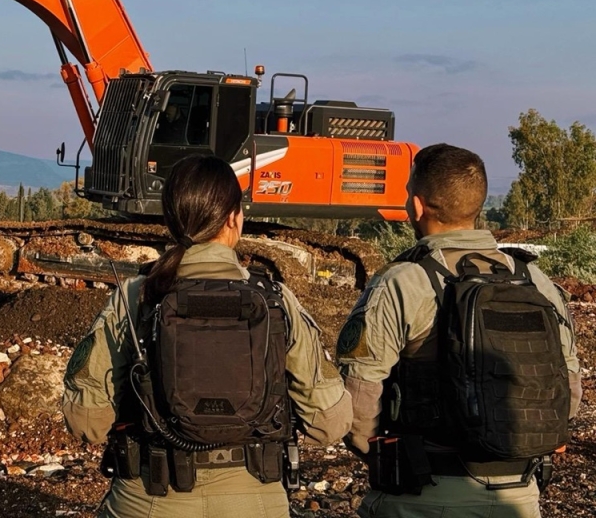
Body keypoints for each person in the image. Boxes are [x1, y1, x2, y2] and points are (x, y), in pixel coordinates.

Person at [62, 154, 352, 517]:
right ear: (233, 217)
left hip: (149, 499)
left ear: (169, 220)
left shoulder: (135, 297)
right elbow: (330, 424)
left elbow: (85, 422)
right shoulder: (276, 301)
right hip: (256, 500)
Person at [337, 143, 583, 518]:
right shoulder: (534, 280)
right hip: (519, 498)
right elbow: (569, 390)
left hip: (424, 495)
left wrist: (388, 456)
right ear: (477, 205)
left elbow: (357, 403)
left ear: (417, 206)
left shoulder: (405, 281)